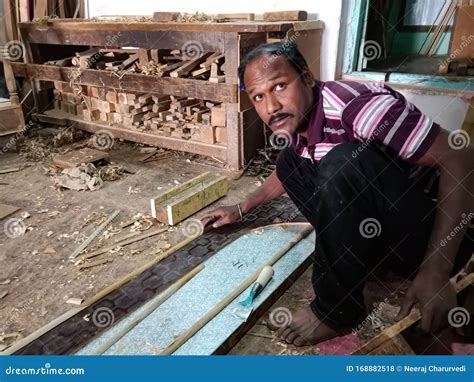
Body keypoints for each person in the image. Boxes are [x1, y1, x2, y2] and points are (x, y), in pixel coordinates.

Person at [201, 42, 473, 346]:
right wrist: (241, 207)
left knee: (342, 162)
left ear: (306, 77)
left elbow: (461, 157)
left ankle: (336, 312)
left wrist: (437, 270)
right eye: (259, 97)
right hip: (389, 232)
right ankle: (366, 264)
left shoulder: (360, 110)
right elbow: (285, 173)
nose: (271, 107)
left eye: (279, 86)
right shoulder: (299, 119)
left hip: (437, 235)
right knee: (291, 161)